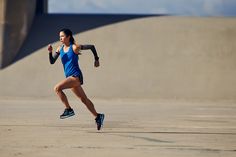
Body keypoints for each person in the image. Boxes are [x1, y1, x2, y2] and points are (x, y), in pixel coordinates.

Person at [47, 28, 104, 130]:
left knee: (57, 88)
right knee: (84, 99)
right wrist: (50, 52)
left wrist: (96, 59)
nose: (60, 38)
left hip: (76, 76)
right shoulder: (59, 49)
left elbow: (92, 47)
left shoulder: (75, 47)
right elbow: (52, 61)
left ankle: (68, 109)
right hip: (69, 77)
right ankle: (98, 116)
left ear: (68, 37)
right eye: (59, 36)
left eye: (62, 36)